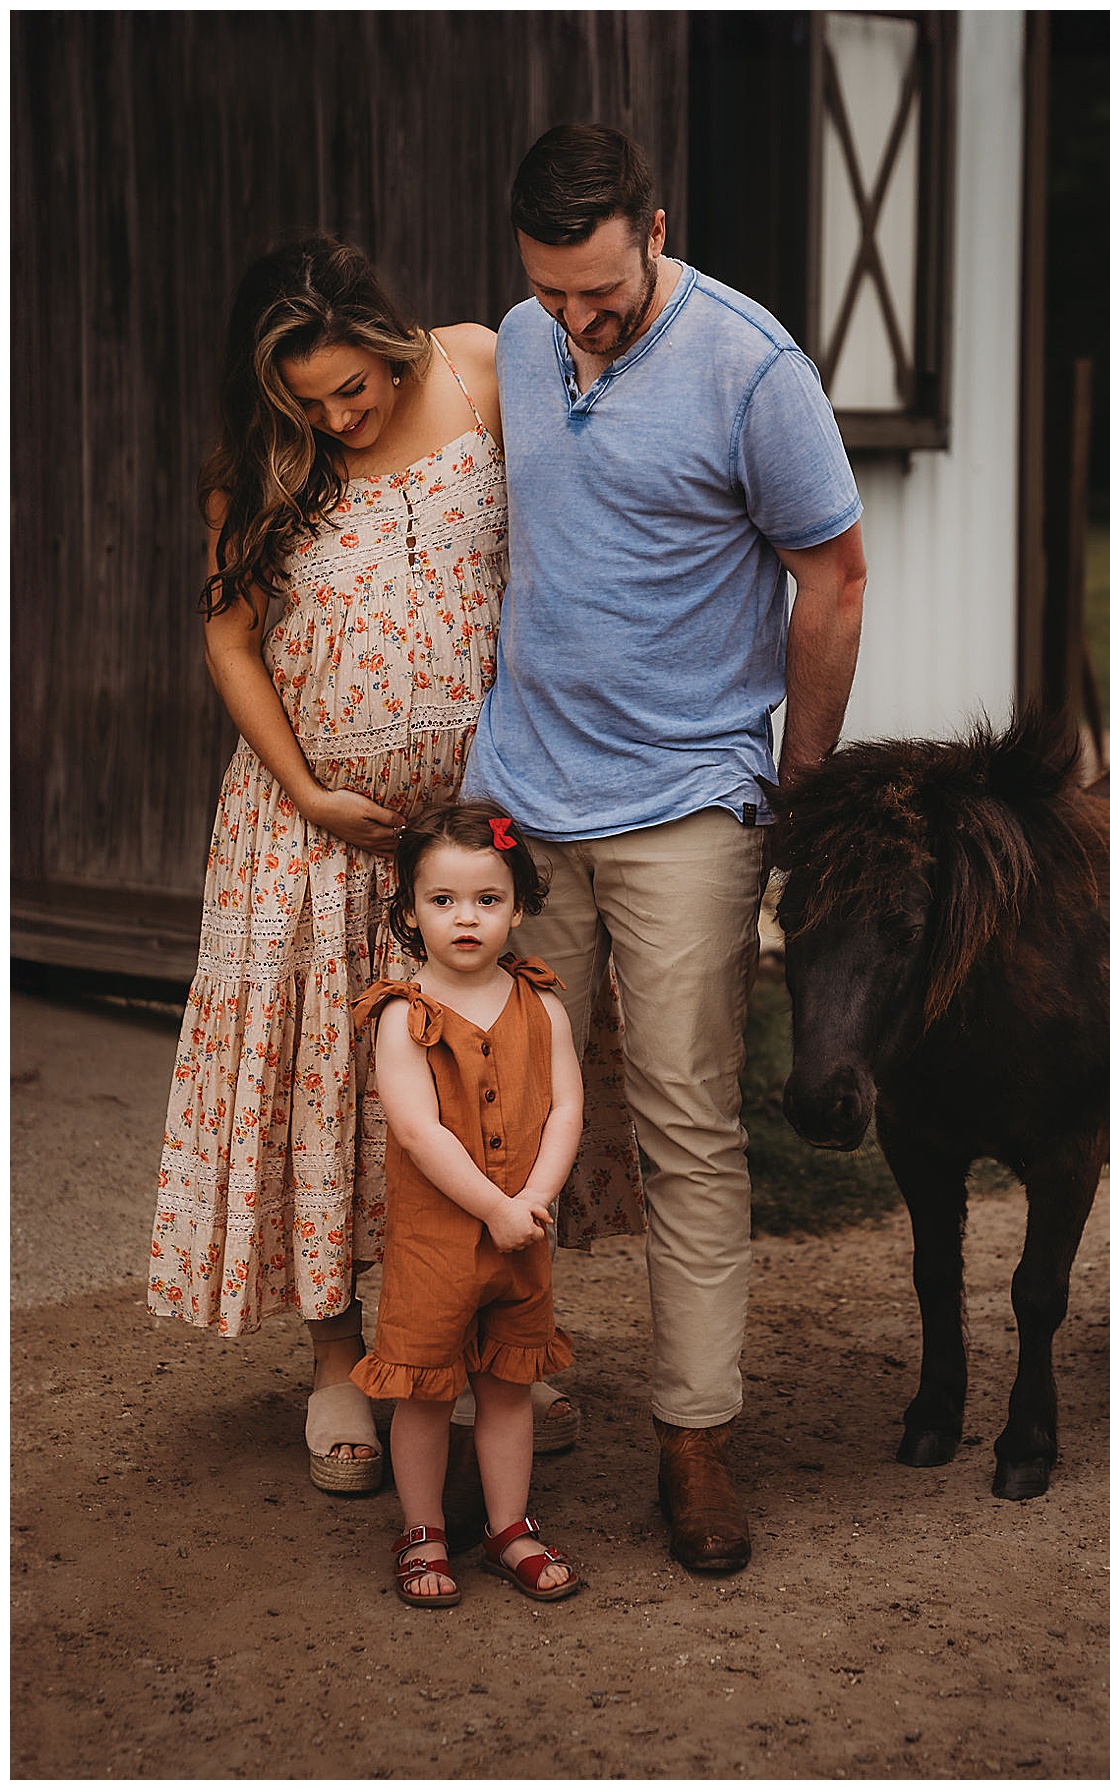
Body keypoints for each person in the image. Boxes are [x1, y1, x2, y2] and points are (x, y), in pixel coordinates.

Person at [463, 125, 868, 1573]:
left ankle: (694, 1436)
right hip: (522, 794)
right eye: (550, 292)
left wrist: (799, 782)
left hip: (692, 801)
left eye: (602, 291)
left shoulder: (753, 368)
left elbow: (834, 574)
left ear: (656, 225)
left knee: (690, 1123)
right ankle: (514, 1391)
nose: (575, 321)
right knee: (500, 1121)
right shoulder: (515, 338)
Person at [147, 233, 596, 1497]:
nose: (340, 417)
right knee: (327, 1095)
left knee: (481, 1085)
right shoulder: (260, 465)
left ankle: (488, 1334)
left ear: (395, 342)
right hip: (306, 840)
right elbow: (228, 636)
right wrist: (303, 786)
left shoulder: (479, 368)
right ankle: (340, 1358)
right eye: (311, 401)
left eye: (356, 387)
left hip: (462, 846)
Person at [350, 799, 582, 1606]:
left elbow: (565, 1110)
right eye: (442, 901)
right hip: (436, 1245)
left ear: (518, 906)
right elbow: (419, 1134)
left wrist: (538, 1197)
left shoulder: (542, 1006)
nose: (467, 919)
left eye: (488, 899)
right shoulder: (401, 1015)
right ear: (411, 911)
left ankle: (508, 1525)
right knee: (423, 1391)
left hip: (523, 1233)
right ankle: (423, 1530)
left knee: (509, 1387)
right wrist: (493, 1206)